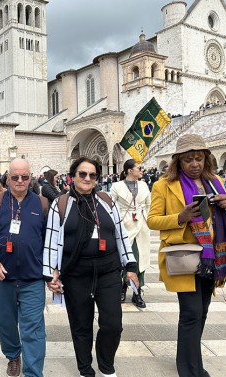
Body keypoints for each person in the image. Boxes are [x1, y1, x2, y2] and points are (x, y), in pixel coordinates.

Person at [43, 156, 139, 377]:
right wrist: (50, 274)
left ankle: (106, 367)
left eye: (92, 175)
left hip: (108, 272)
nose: (87, 178)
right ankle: (85, 369)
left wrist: (130, 265)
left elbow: (120, 235)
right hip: (76, 274)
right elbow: (51, 239)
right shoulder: (61, 203)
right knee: (81, 326)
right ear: (72, 177)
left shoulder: (106, 200)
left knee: (113, 324)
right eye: (82, 174)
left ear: (97, 178)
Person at [147, 134, 226, 377]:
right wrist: (180, 217)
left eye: (199, 159)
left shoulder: (216, 182)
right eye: (189, 159)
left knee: (201, 312)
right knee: (191, 313)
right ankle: (190, 369)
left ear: (206, 160)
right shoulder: (164, 185)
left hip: (212, 259)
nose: (195, 164)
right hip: (186, 257)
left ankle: (190, 360)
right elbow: (152, 220)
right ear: (178, 162)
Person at [0, 158, 48, 377]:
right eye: (15, 177)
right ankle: (12, 354)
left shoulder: (42, 204)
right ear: (7, 178)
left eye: (24, 177)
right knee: (5, 324)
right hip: (2, 279)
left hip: (32, 279)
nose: (20, 181)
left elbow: (50, 241)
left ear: (31, 178)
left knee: (34, 330)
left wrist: (53, 272)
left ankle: (33, 373)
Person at [110, 159, 151, 308]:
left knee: (139, 259)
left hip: (140, 224)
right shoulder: (116, 186)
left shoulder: (144, 185)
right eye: (138, 168)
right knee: (124, 258)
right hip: (124, 223)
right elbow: (111, 206)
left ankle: (137, 292)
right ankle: (123, 287)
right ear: (129, 170)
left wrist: (145, 217)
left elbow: (148, 204)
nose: (141, 171)